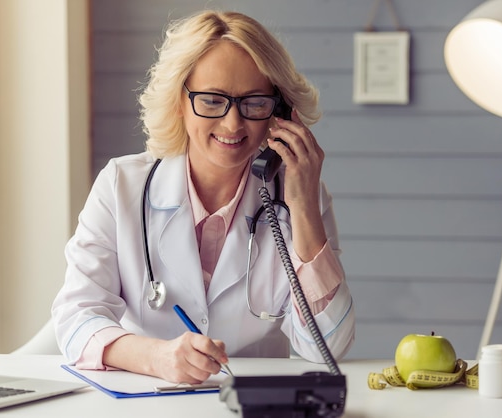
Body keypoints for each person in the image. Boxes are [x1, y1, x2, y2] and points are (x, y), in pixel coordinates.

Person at [52, 10, 354, 384]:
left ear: (280, 112)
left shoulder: (301, 199)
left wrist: (305, 208)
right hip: (145, 402)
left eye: (254, 102)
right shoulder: (121, 186)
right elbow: (75, 318)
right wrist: (156, 357)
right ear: (179, 101)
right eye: (212, 100)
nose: (232, 123)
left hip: (251, 405)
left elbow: (329, 345)